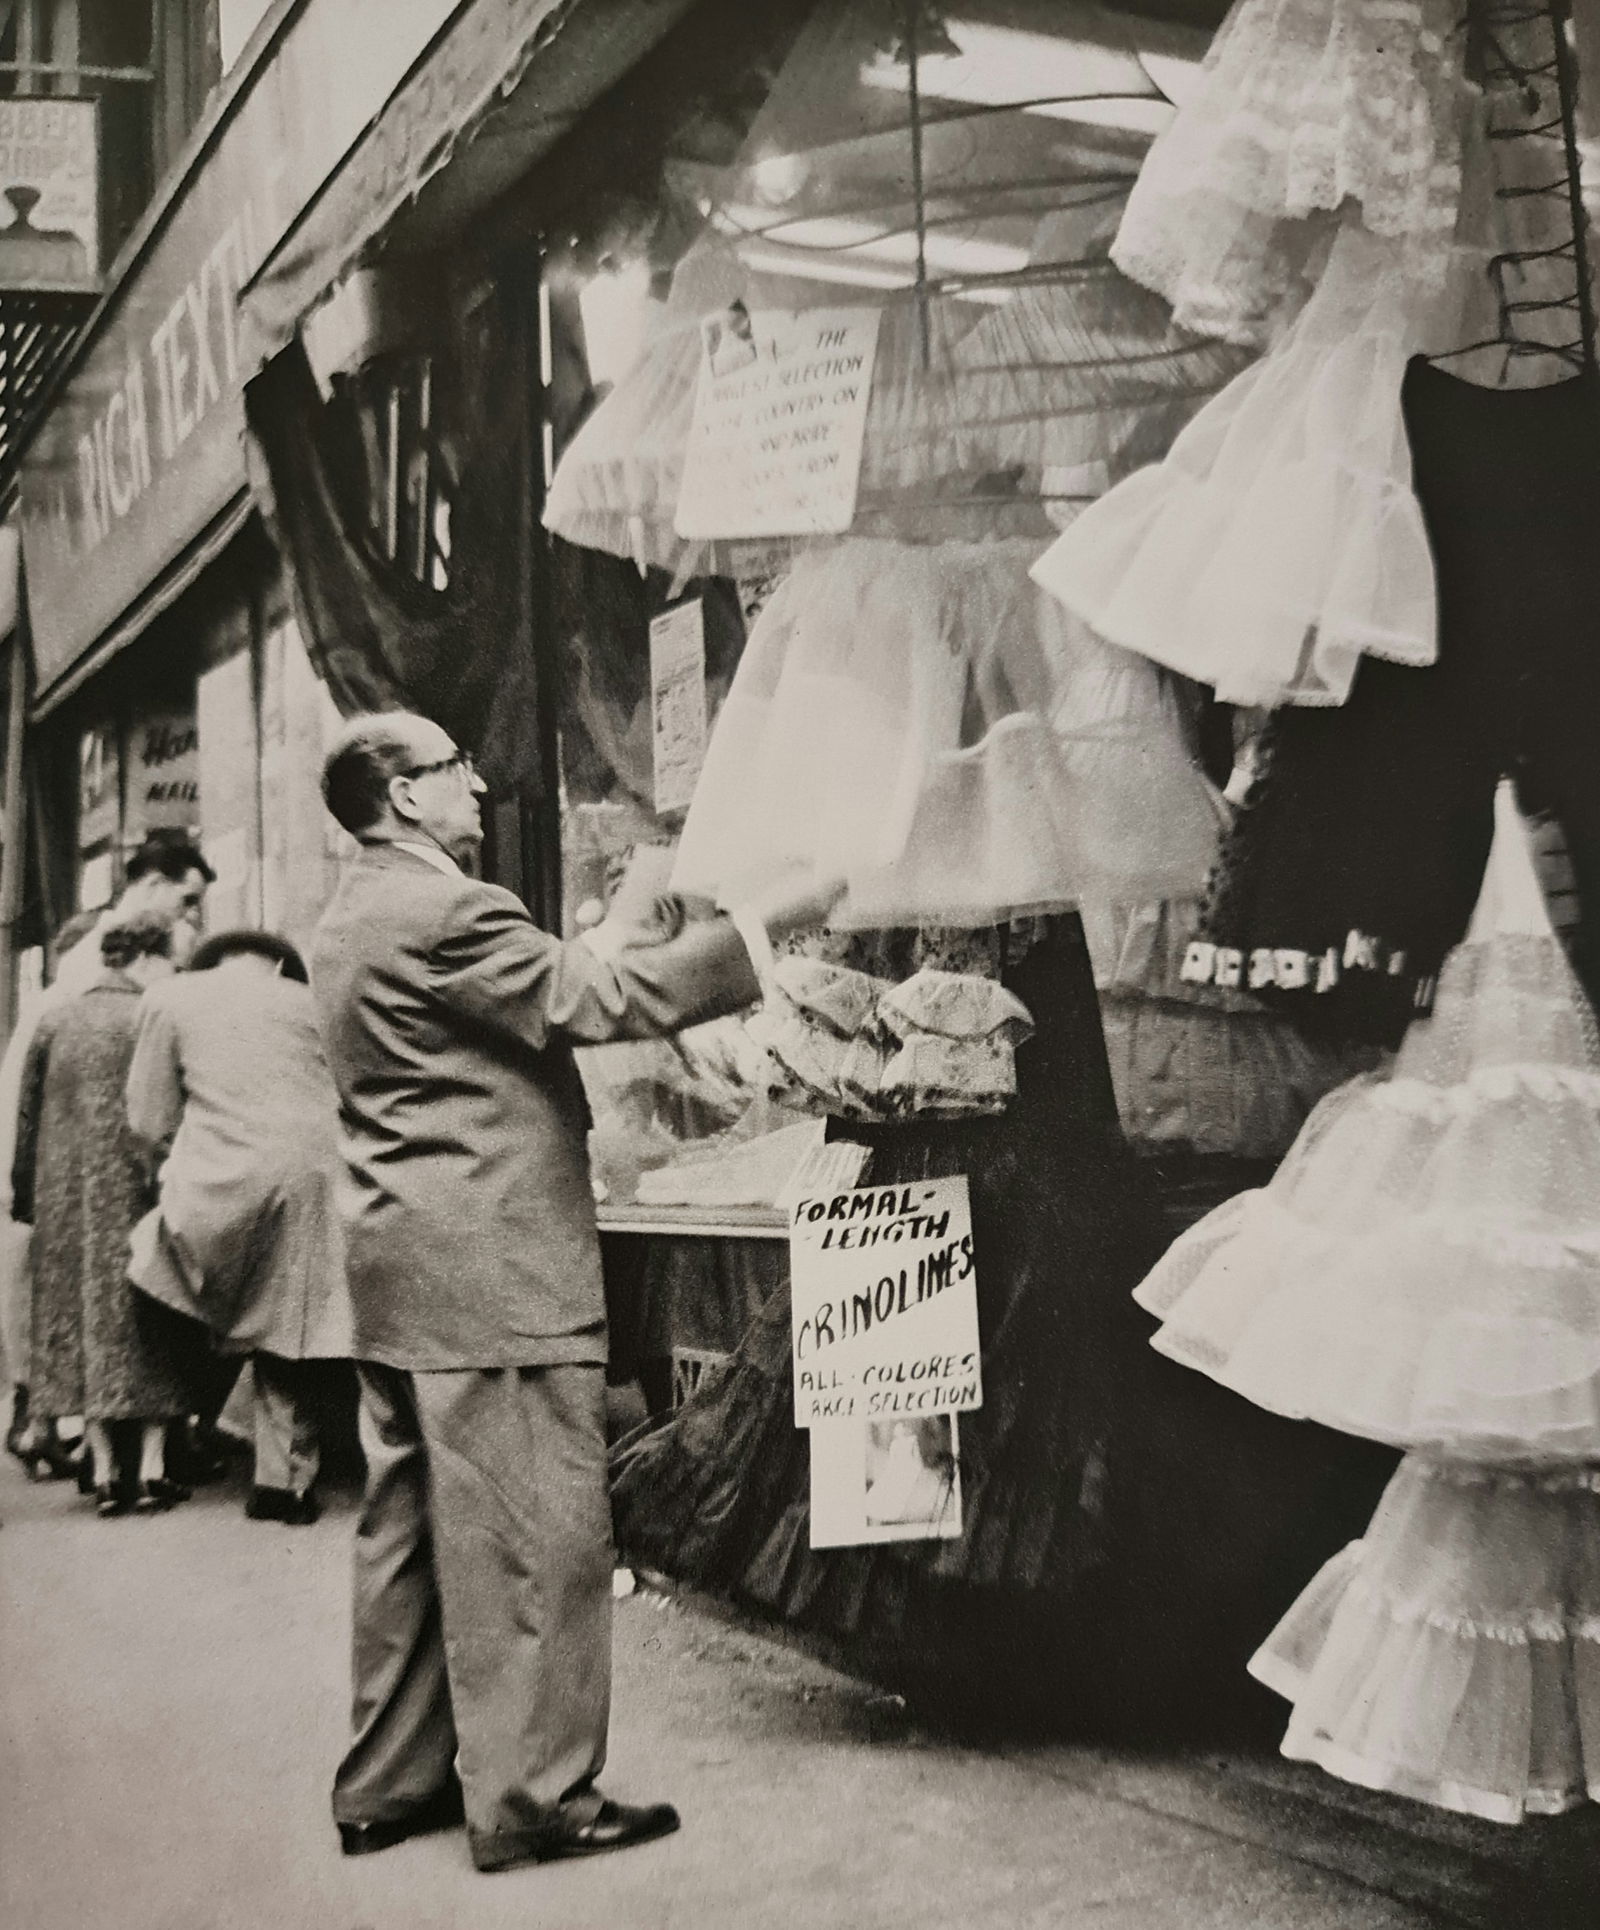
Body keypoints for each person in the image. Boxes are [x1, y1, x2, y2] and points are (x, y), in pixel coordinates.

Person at [310, 710, 836, 1873]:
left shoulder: (349, 912)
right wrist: (761, 932)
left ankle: (386, 1785)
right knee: (533, 1533)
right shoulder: (448, 908)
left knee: (405, 1530)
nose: (481, 782)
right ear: (402, 795)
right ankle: (537, 1797)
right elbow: (597, 1001)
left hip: (402, 1265)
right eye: (453, 767)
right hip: (491, 1266)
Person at [1, 832, 213, 1476]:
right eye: (188, 901)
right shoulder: (116, 955)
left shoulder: (97, 945)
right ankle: (51, 1422)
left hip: (66, 1137)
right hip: (86, 1141)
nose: (193, 917)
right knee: (100, 1286)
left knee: (68, 1282)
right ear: (153, 887)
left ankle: (54, 1425)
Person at [126, 929, 352, 1527]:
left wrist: (167, 1166)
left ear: (213, 961)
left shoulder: (170, 996)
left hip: (218, 1189)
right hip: (316, 1177)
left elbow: (147, 1119)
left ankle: (198, 1433)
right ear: (279, 965)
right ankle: (282, 1482)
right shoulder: (311, 1001)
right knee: (293, 1327)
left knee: (157, 1269)